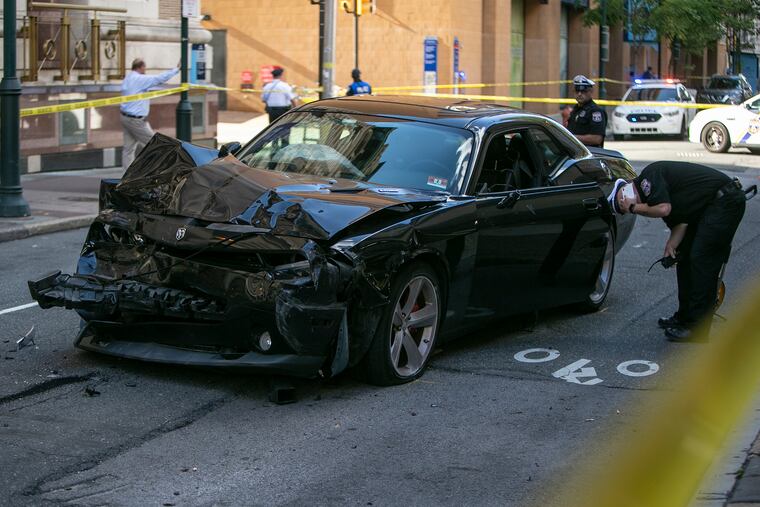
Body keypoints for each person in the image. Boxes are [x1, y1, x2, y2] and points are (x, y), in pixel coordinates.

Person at [608, 161, 746, 342]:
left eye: (622, 201)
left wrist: (634, 208)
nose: (625, 205)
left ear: (625, 190)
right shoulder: (651, 200)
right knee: (685, 256)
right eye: (622, 207)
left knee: (701, 260)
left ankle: (697, 328)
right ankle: (684, 317)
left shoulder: (648, 178)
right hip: (710, 207)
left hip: (725, 201)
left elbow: (664, 209)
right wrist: (671, 245)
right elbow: (680, 222)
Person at [120, 58, 180, 170]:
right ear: (140, 67)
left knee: (128, 149)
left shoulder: (127, 78)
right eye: (144, 68)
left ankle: (126, 177)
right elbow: (159, 78)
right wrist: (175, 70)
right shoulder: (139, 79)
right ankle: (156, 172)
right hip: (136, 121)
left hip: (125, 117)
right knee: (154, 144)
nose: (145, 70)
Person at [567, 75, 607, 148]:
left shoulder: (595, 111)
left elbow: (596, 139)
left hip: (590, 153)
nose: (579, 94)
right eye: (577, 91)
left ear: (591, 92)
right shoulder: (576, 109)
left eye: (583, 91)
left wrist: (570, 137)